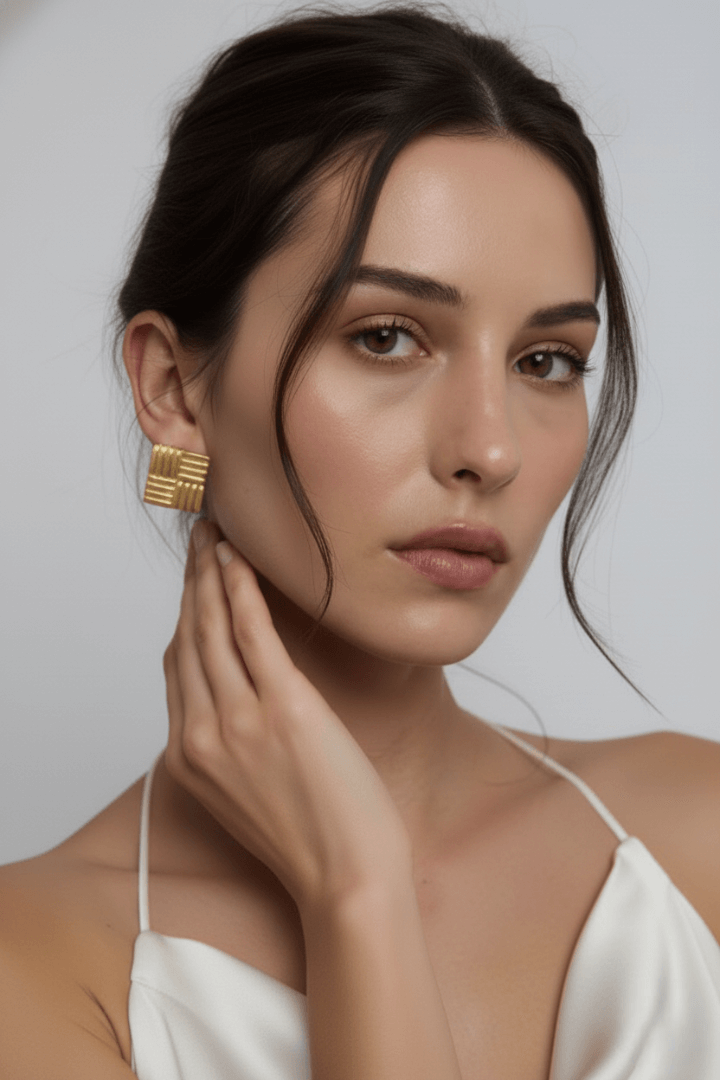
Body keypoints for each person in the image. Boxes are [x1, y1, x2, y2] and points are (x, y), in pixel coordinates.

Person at [1, 5, 719, 1078]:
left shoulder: (699, 834)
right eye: (386, 337)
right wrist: (357, 893)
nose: (490, 448)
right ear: (171, 389)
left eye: (547, 360)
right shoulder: (37, 964)